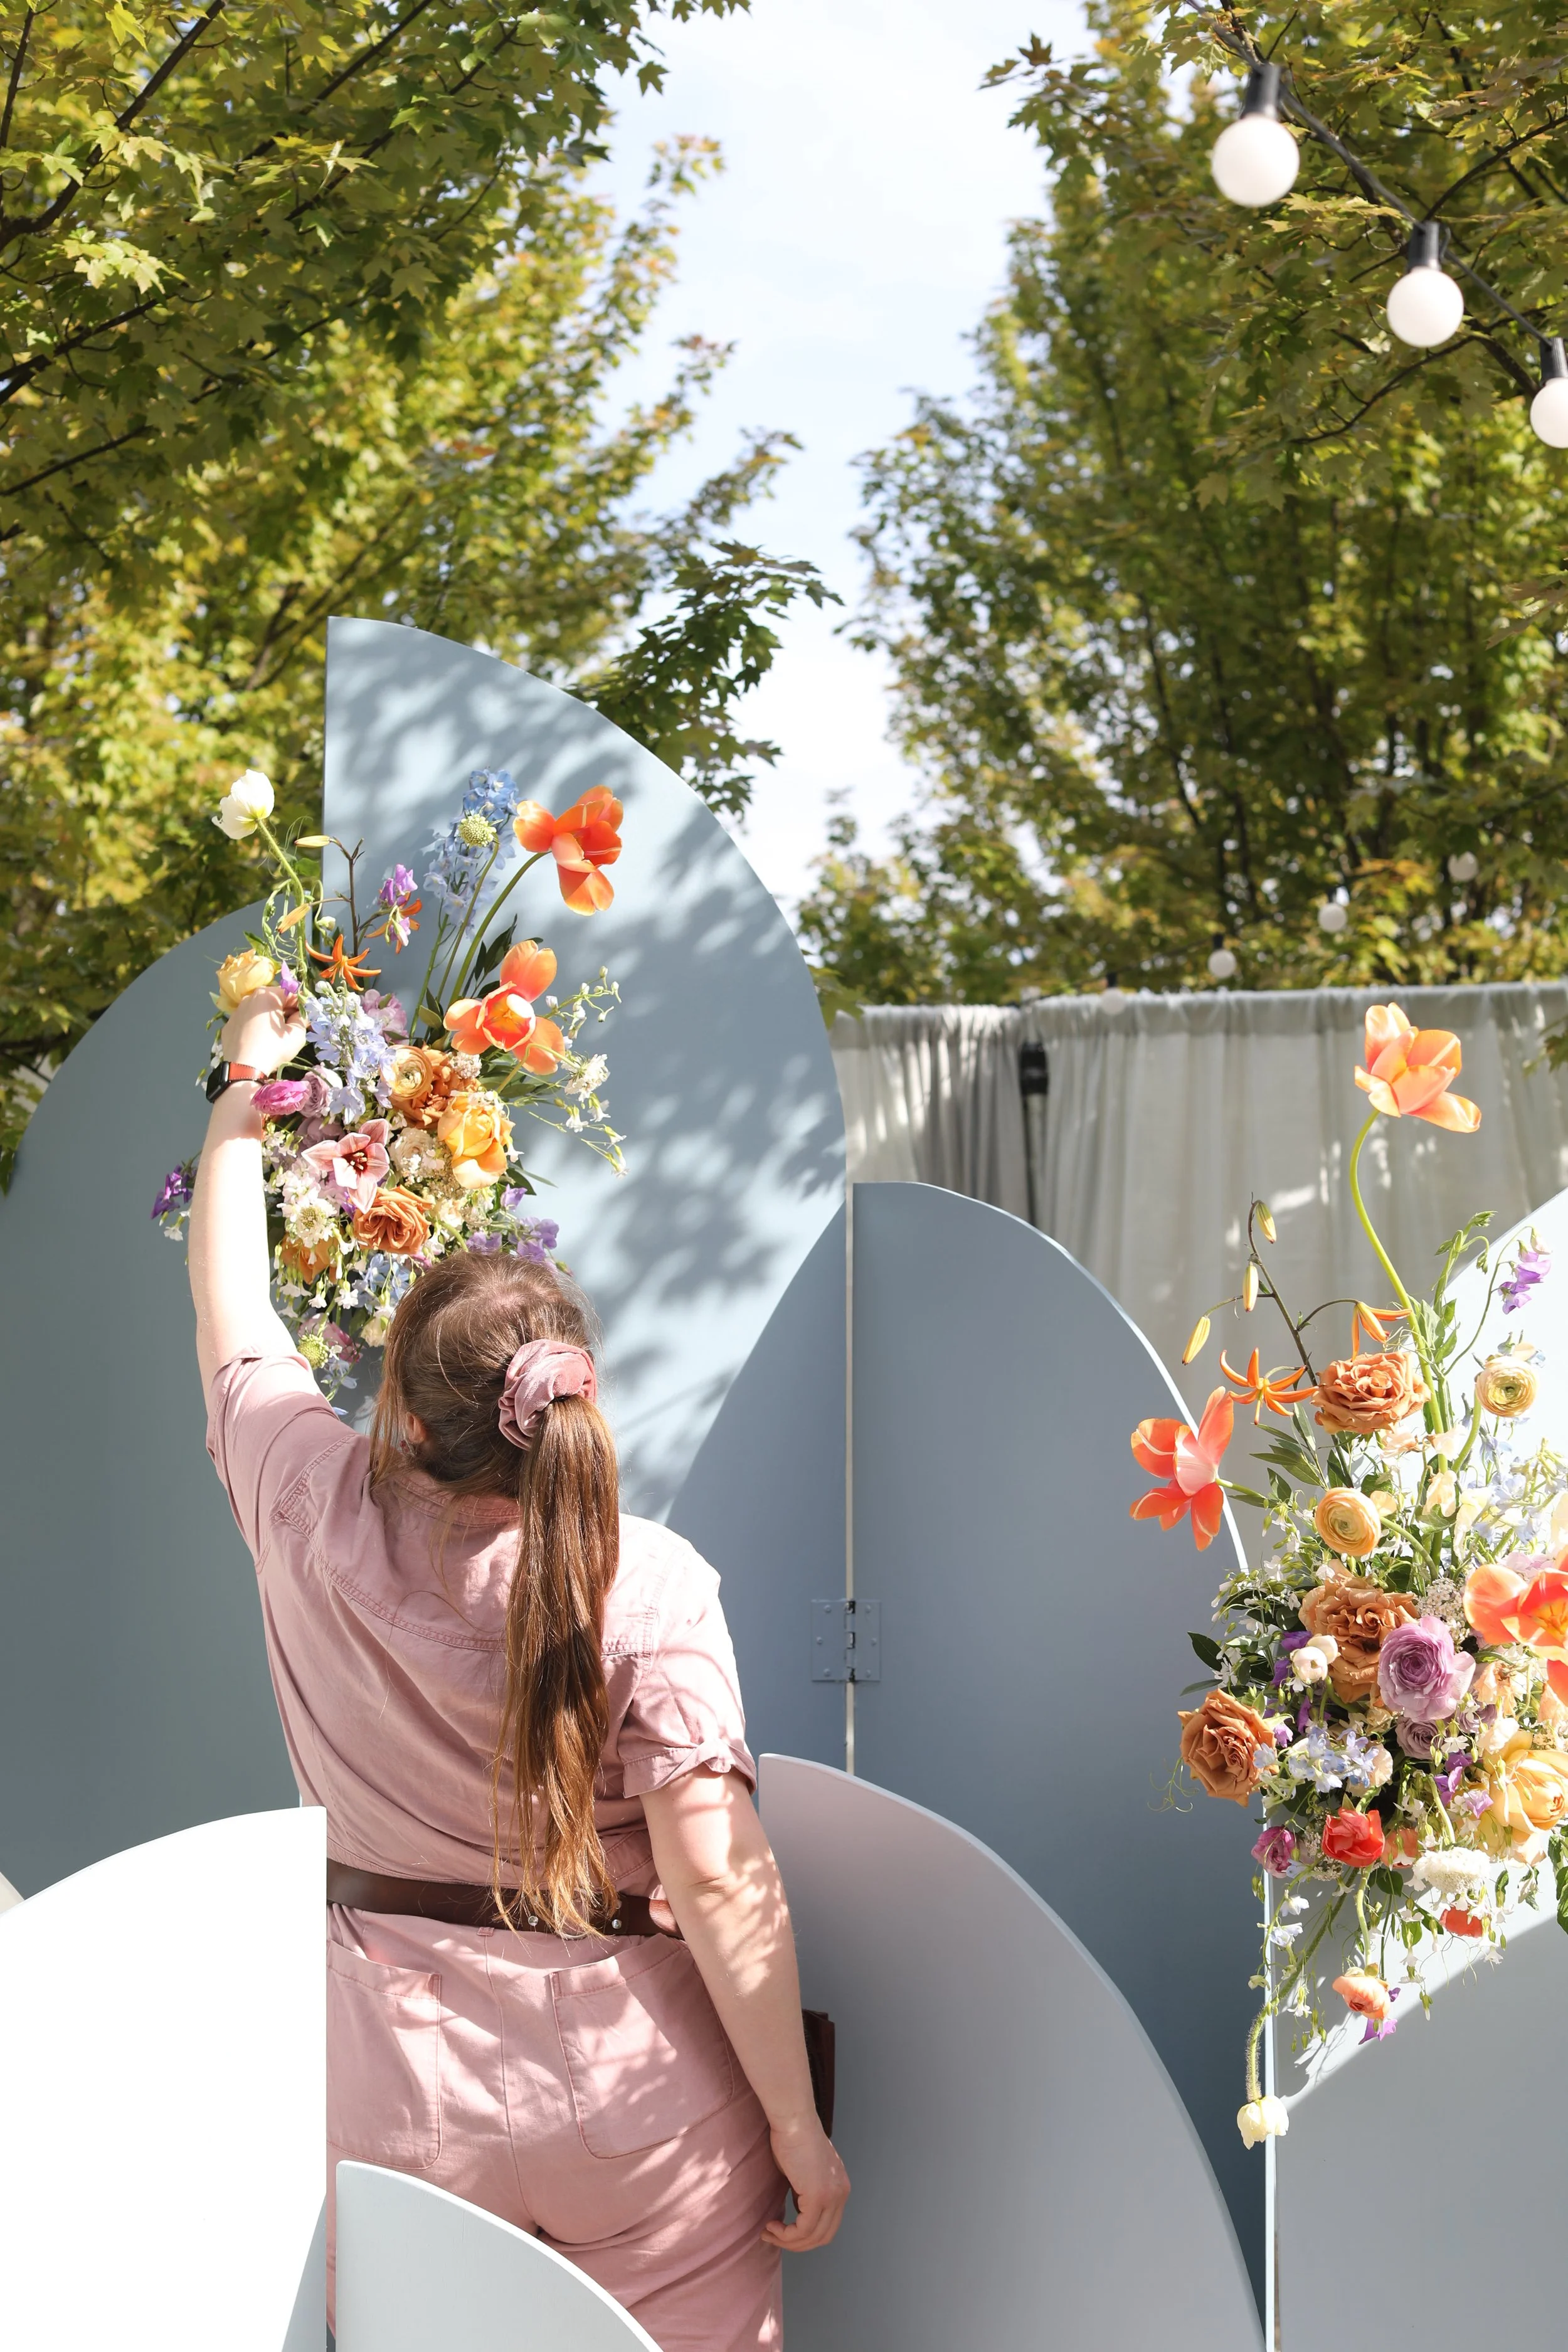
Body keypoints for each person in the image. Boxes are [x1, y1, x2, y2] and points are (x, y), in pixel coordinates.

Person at [189, 983, 849, 2349]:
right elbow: (719, 1880)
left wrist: (242, 1092)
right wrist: (796, 2124)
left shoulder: (304, 1498)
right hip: (638, 2093)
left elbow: (235, 1309)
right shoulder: (650, 1585)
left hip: (392, 2090)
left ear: (404, 1404)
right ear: (575, 1393)